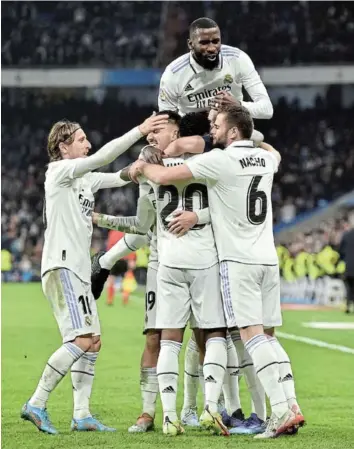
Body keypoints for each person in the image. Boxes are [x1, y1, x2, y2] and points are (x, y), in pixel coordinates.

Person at [129, 104, 305, 439]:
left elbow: (165, 176)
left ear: (234, 131)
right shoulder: (265, 159)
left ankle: (280, 412)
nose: (212, 130)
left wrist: (143, 165)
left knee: (252, 338)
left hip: (237, 262)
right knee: (268, 337)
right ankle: (292, 404)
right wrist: (257, 138)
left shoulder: (220, 160)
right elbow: (275, 152)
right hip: (268, 258)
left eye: (218, 124)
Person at [20, 114, 168, 434]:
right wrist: (139, 131)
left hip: (78, 271)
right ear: (63, 147)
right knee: (82, 339)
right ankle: (37, 402)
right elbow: (105, 158)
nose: (88, 144)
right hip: (63, 268)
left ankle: (82, 415)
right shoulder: (60, 171)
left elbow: (119, 175)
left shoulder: (85, 178)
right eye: (81, 139)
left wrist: (142, 165)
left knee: (93, 342)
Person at [158, 17, 273, 119]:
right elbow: (166, 121)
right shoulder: (173, 73)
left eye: (216, 41)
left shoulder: (238, 59)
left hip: (233, 132)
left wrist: (238, 105)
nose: (212, 48)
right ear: (190, 44)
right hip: (193, 135)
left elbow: (267, 110)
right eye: (204, 43)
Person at [339, 222, 354, 313]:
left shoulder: (346, 235)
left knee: (349, 287)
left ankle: (348, 305)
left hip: (348, 266)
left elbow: (341, 251)